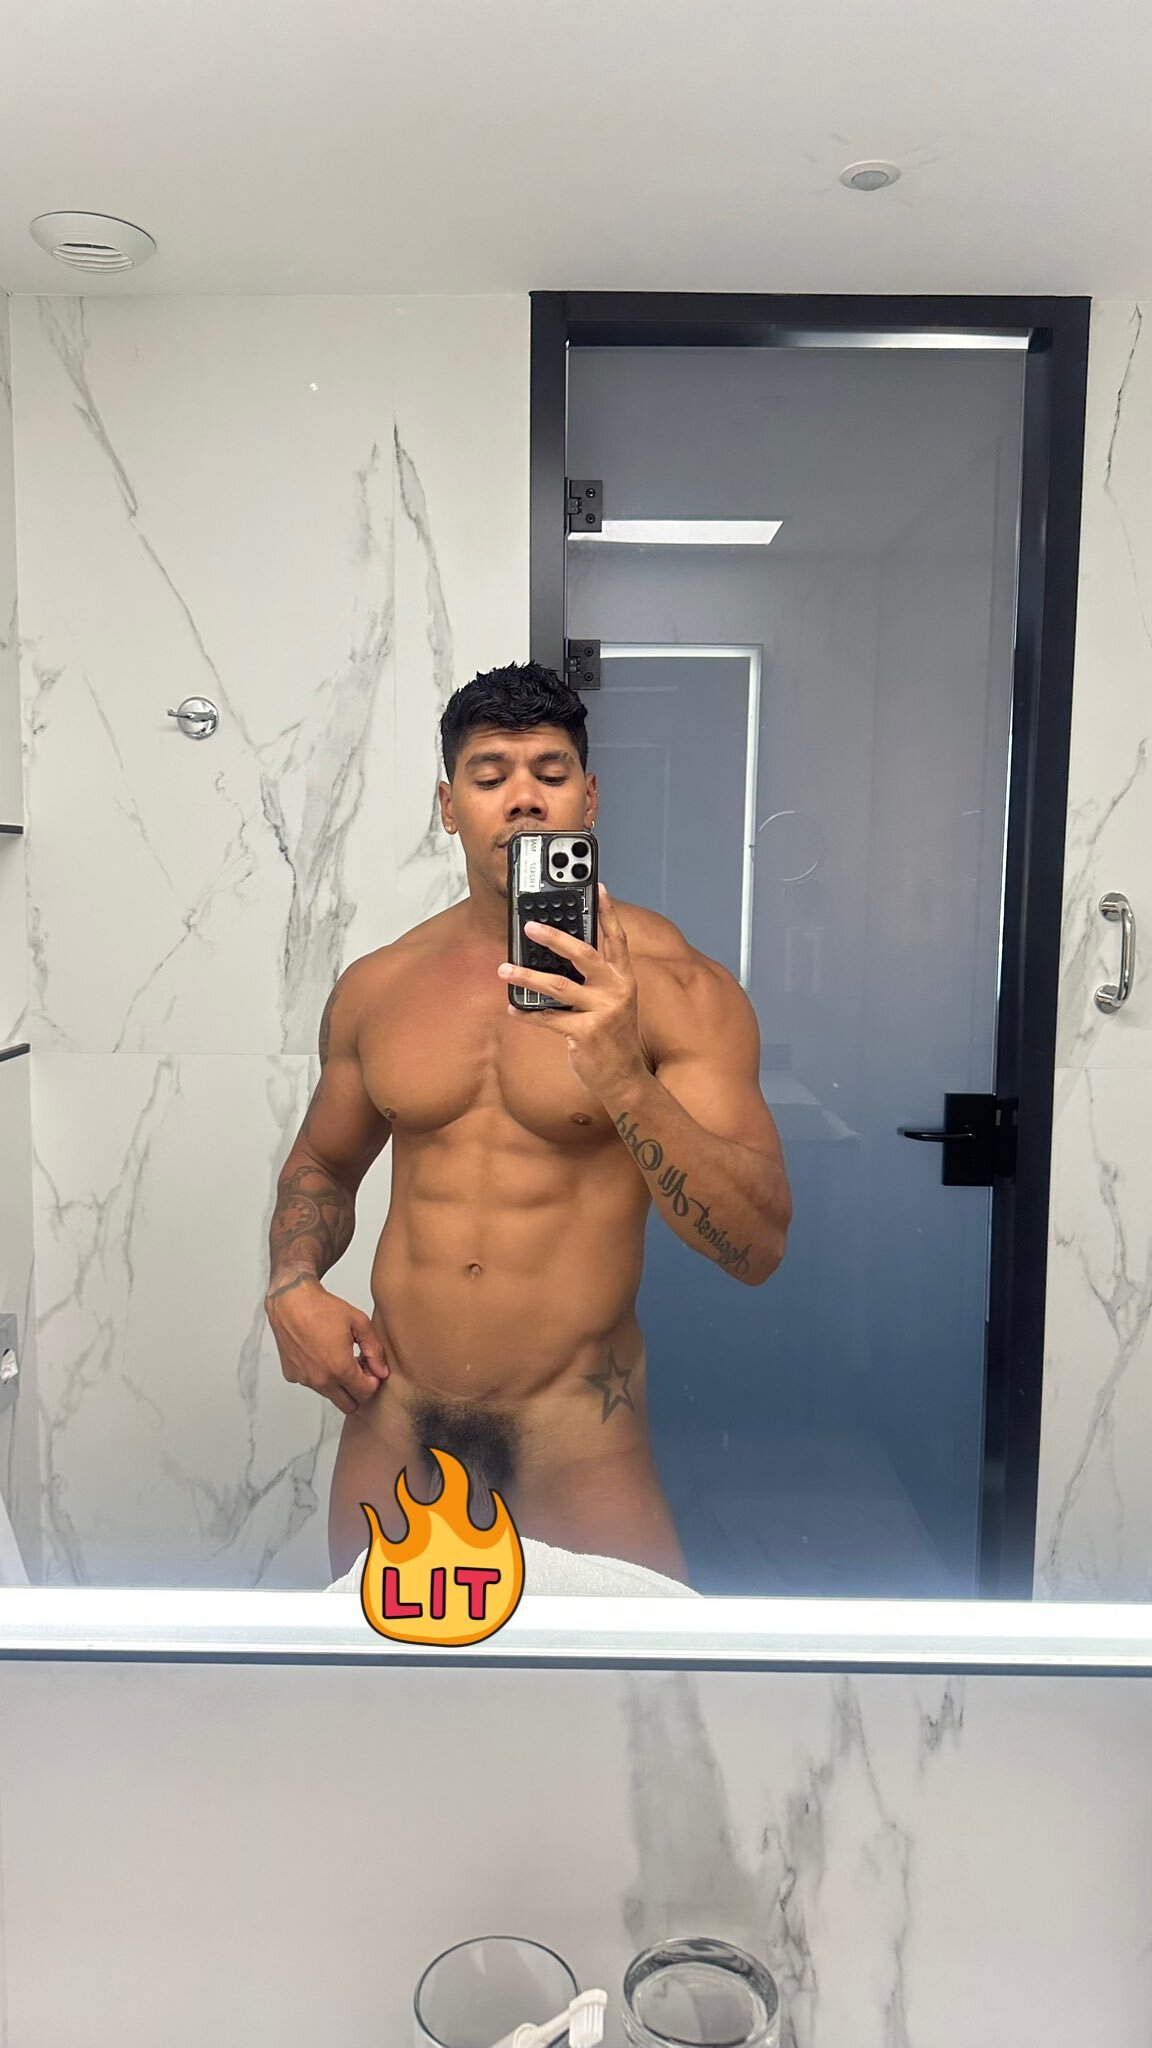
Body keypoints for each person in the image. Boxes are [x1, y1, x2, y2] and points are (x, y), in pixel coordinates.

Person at [264, 662, 792, 1582]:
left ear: (589, 798)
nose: (523, 799)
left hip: (579, 1453)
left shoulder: (676, 988)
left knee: (627, 1681)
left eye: (551, 773)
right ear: (448, 805)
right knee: (376, 1680)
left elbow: (755, 1247)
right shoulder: (380, 988)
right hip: (396, 1438)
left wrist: (624, 1078)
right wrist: (292, 1282)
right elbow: (323, 1165)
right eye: (489, 775)